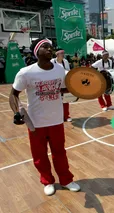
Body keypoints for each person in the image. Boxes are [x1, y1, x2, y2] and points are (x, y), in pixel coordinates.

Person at [9, 38, 80, 196]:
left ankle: (66, 180)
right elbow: (14, 94)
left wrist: (80, 89)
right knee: (39, 155)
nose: (50, 49)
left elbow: (61, 89)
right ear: (37, 52)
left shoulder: (60, 70)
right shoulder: (26, 73)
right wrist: (16, 112)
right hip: (35, 122)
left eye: (51, 47)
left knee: (60, 152)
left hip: (56, 119)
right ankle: (47, 180)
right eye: (45, 47)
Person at [51, 49, 72, 122]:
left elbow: (68, 71)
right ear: (57, 54)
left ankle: (66, 116)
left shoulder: (65, 61)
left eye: (63, 53)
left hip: (64, 84)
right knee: (56, 101)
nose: (63, 54)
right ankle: (58, 117)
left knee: (65, 100)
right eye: (61, 53)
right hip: (55, 84)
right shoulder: (52, 62)